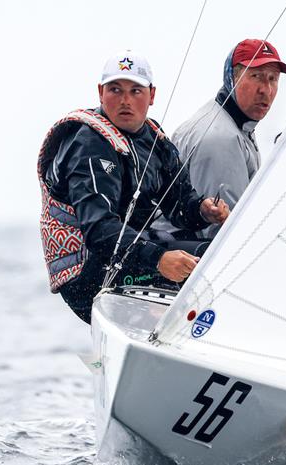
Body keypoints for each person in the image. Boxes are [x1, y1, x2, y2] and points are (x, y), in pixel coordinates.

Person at [37, 50, 229, 323]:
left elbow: (179, 206)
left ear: (151, 95)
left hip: (127, 254)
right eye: (116, 90)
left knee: (217, 255)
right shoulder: (88, 144)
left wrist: (203, 210)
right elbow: (100, 230)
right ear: (101, 93)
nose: (125, 100)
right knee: (201, 264)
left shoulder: (154, 140)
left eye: (135, 91)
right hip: (86, 274)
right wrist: (159, 260)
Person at [163, 39, 286, 239]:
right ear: (231, 78)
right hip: (184, 261)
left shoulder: (233, 122)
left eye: (273, 78)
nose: (266, 89)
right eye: (256, 76)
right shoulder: (221, 140)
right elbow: (224, 237)